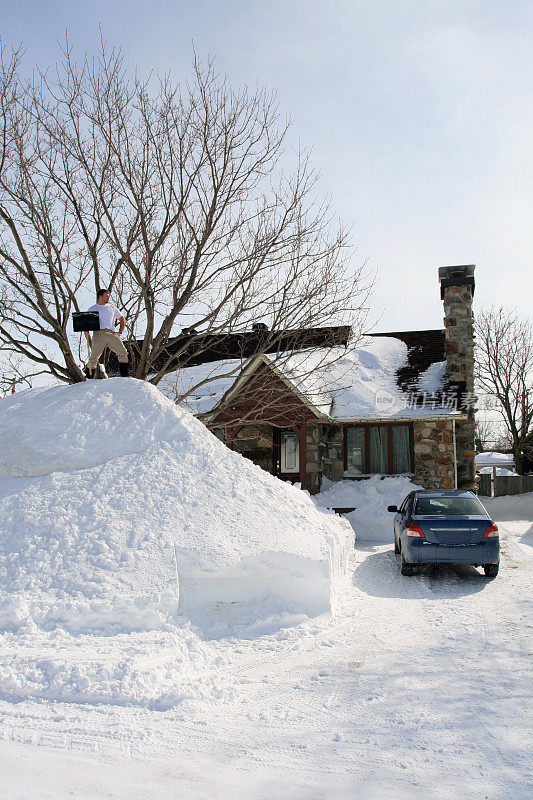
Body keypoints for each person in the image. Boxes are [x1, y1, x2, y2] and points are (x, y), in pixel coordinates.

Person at [84, 289, 130, 377]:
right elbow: (87, 324)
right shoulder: (92, 308)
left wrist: (120, 331)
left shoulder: (112, 307)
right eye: (106, 295)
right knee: (94, 357)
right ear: (100, 296)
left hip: (111, 333)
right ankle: (89, 379)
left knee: (123, 353)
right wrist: (87, 333)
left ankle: (125, 376)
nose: (108, 297)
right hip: (99, 334)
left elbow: (122, 319)